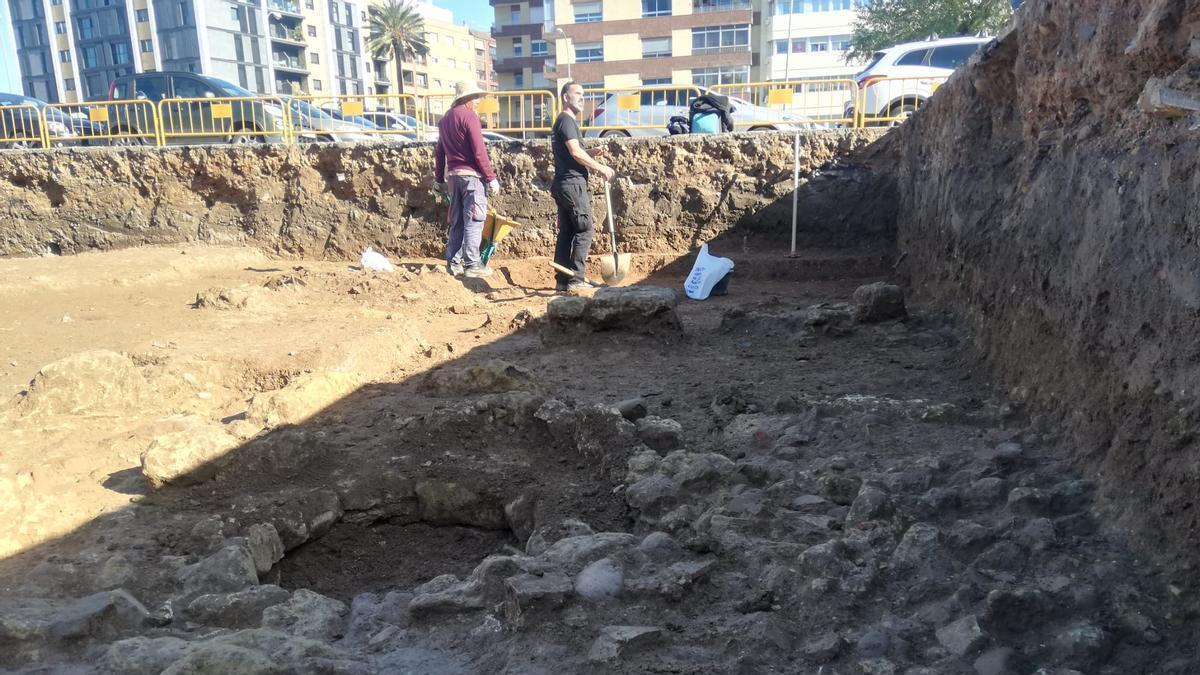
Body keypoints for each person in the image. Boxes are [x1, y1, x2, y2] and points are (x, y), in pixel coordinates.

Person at [551, 81, 615, 292]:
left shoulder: (564, 122)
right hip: (572, 185)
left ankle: (562, 280)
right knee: (585, 228)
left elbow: (575, 151)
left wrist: (594, 151)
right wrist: (600, 168)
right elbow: (576, 153)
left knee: (567, 231)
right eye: (577, 93)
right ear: (565, 97)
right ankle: (577, 279)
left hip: (563, 184)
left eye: (583, 95)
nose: (582, 97)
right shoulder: (567, 121)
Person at [434, 81, 499, 278]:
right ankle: (472, 264)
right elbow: (479, 152)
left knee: (457, 221)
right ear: (467, 98)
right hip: (471, 178)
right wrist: (491, 177)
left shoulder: (445, 120)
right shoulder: (469, 117)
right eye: (475, 98)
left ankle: (453, 263)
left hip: (453, 178)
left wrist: (439, 179)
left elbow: (439, 152)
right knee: (474, 220)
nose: (476, 103)